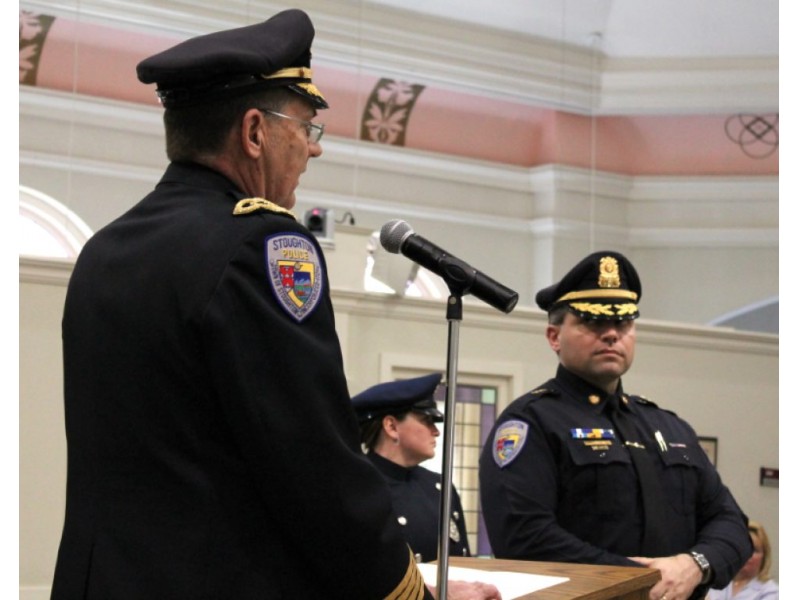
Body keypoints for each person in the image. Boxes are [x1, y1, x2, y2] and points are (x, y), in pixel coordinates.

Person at [50, 9, 500, 600]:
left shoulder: (105, 249)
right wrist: (409, 591)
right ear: (255, 131)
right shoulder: (261, 245)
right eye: (306, 127)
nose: (313, 150)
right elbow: (313, 460)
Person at [478, 250, 752, 600]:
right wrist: (640, 580)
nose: (611, 334)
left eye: (623, 323)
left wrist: (693, 565)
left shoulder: (668, 427)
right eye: (592, 322)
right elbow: (524, 536)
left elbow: (730, 522)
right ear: (553, 336)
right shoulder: (531, 422)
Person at [352, 373, 471, 563]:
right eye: (427, 420)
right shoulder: (358, 485)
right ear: (391, 426)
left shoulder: (439, 486)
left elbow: (464, 563)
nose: (436, 431)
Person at [707, 521, 778, 599]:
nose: (748, 554)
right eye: (743, 548)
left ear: (764, 556)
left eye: (754, 550)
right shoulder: (715, 581)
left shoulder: (770, 592)